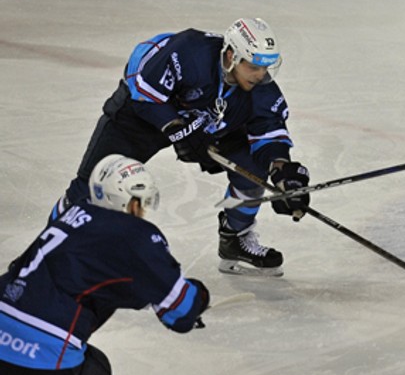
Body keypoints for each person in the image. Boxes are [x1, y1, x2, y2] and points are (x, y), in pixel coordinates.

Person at [53, 18, 311, 276]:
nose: (261, 75)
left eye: (266, 68)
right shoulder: (189, 52)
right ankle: (54, 246)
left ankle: (235, 238)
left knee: (252, 168)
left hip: (208, 121)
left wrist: (283, 172)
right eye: (254, 67)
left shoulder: (261, 89)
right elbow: (144, 88)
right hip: (144, 114)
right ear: (231, 56)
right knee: (95, 180)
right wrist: (178, 130)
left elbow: (269, 134)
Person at [1, 155, 210, 375]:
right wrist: (201, 294)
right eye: (138, 202)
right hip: (41, 359)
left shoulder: (69, 212)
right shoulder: (135, 235)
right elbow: (180, 313)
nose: (140, 210)